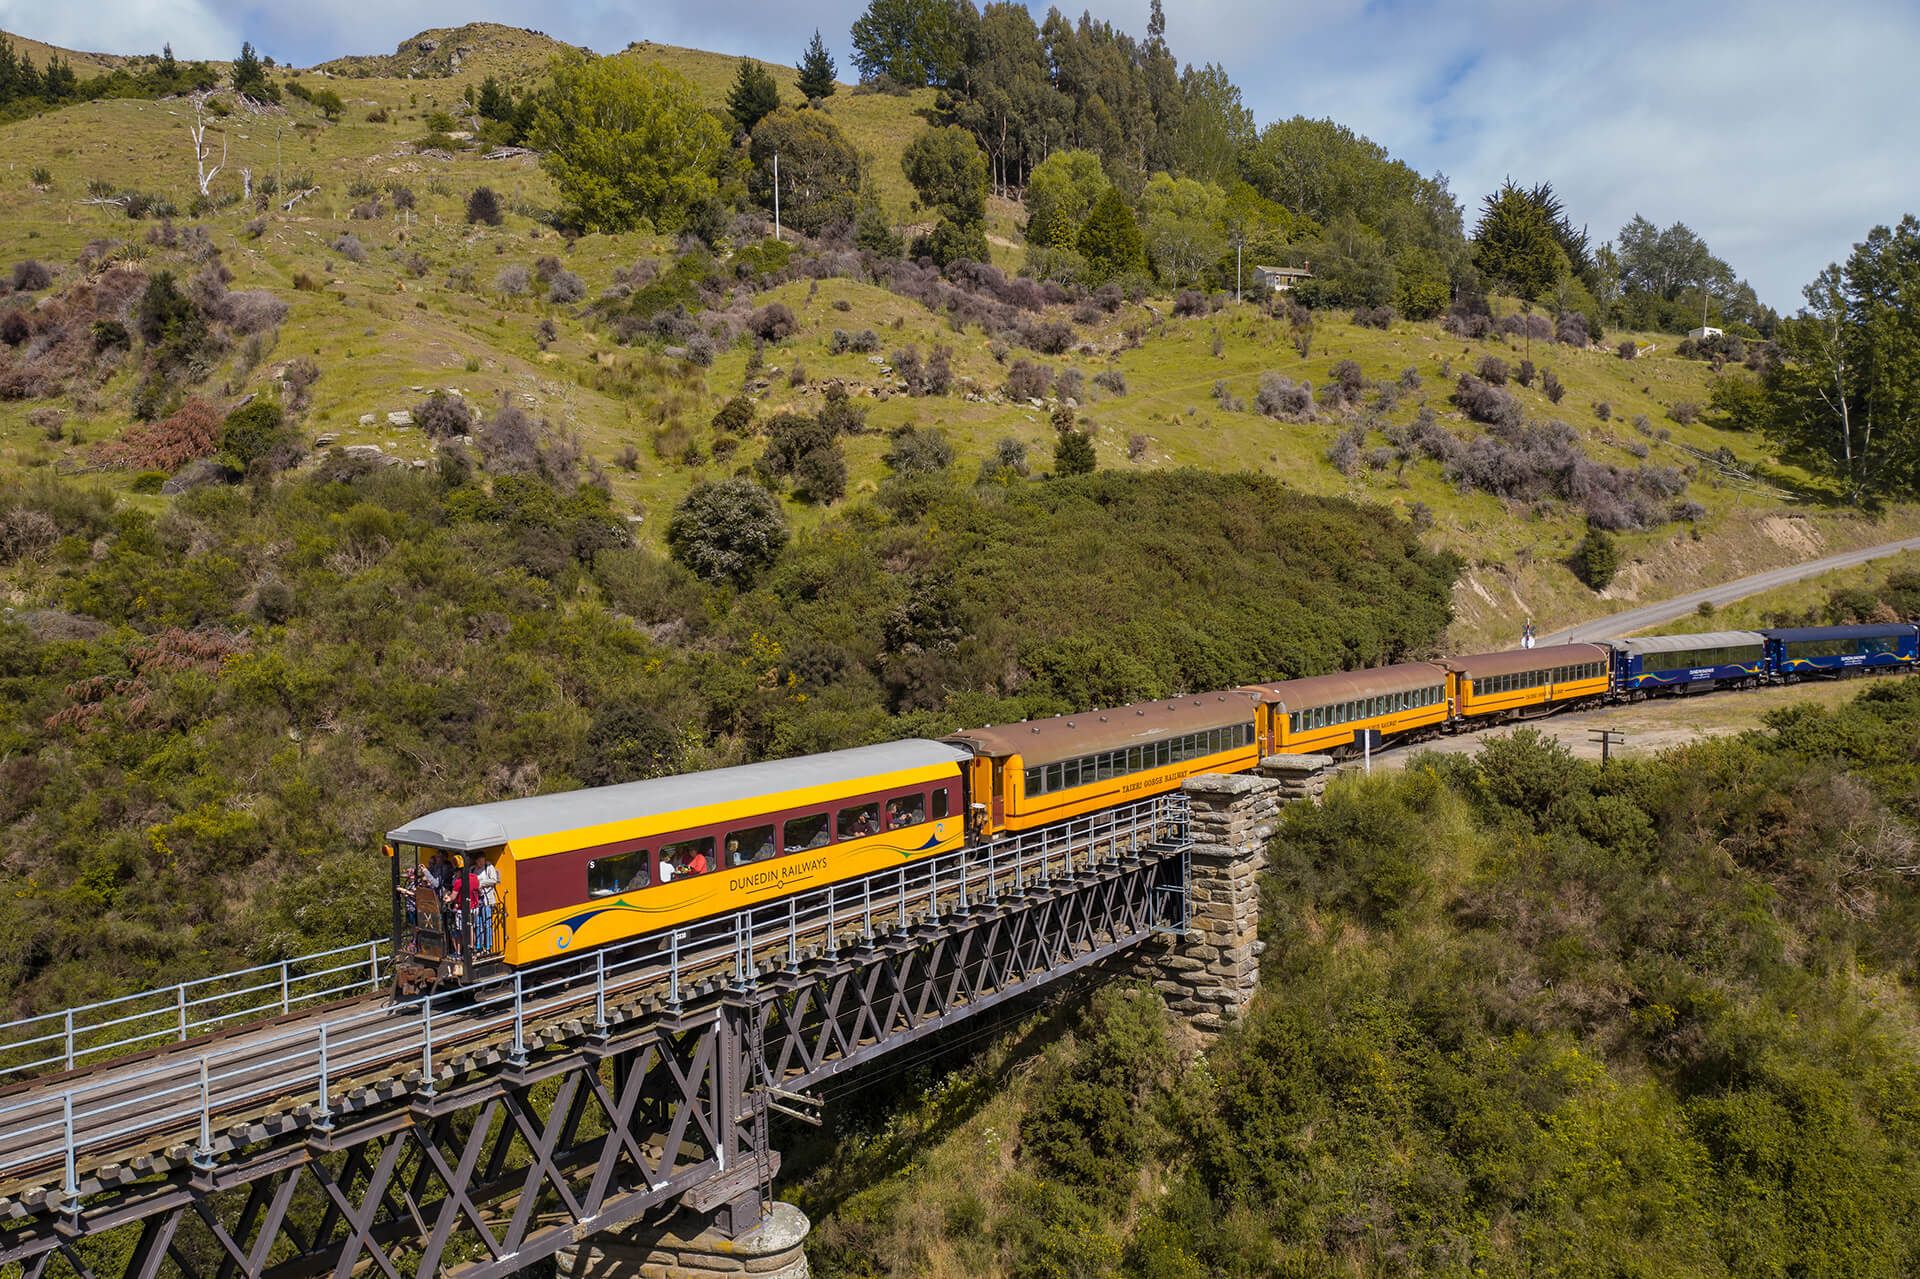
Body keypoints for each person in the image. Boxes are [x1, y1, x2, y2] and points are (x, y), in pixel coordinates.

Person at [473, 853, 500, 955]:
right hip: (477, 900)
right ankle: (479, 946)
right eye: (479, 860)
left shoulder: (489, 867)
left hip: (487, 899)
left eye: (482, 860)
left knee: (487, 923)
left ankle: (488, 947)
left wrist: (480, 883)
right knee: (478, 923)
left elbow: (494, 880)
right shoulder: (473, 869)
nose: (481, 862)